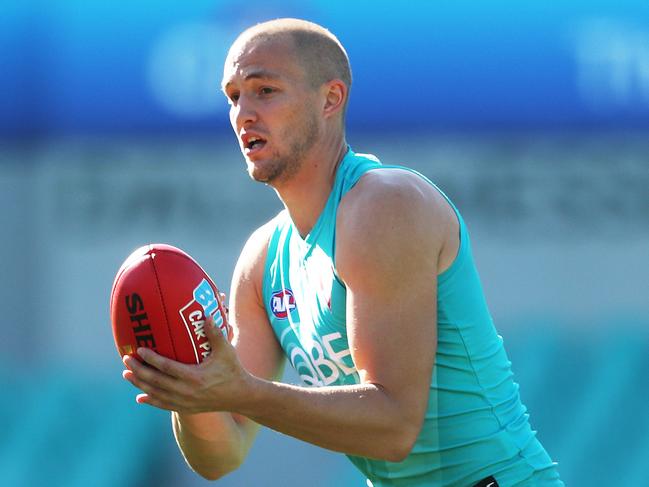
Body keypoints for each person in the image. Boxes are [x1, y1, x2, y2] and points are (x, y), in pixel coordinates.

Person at [122, 18, 564, 486]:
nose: (243, 114)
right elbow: (222, 454)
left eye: (265, 90)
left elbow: (393, 427)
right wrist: (192, 390)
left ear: (331, 99)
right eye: (233, 96)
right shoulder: (262, 260)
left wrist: (243, 392)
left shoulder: (383, 204)